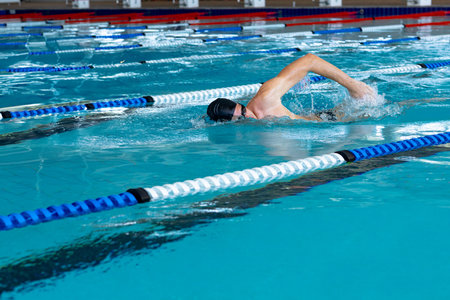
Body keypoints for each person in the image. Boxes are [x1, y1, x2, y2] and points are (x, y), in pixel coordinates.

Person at [206, 53, 375, 122]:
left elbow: (310, 60)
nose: (249, 115)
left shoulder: (265, 99)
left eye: (243, 109)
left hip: (333, 119)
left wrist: (352, 85)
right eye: (241, 118)